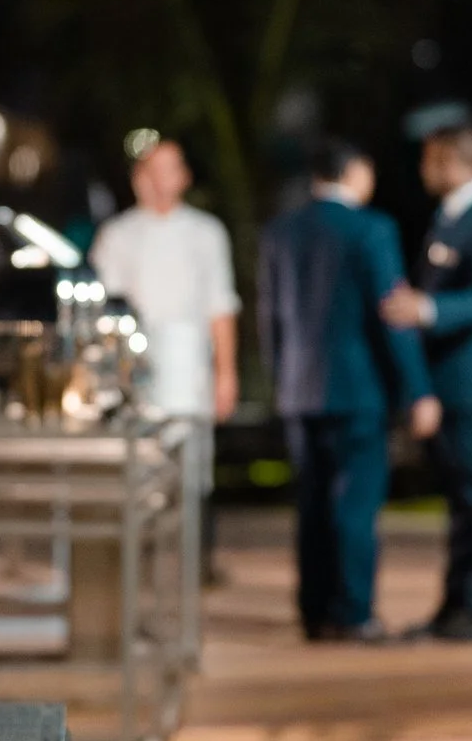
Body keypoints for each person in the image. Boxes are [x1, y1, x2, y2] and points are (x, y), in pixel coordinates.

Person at [258, 139, 438, 642]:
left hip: (300, 390)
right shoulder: (372, 230)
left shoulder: (280, 232)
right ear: (355, 173)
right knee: (356, 505)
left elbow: (270, 320)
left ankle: (314, 611)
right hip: (359, 392)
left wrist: (281, 381)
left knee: (312, 504)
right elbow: (393, 315)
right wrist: (417, 390)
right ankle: (353, 612)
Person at [382, 111, 472, 642]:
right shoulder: (453, 218)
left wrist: (427, 310)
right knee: (462, 502)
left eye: (429, 158)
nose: (423, 169)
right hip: (448, 384)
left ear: (453, 161)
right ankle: (459, 605)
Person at [90, 136, 242, 425]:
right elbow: (105, 309)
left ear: (184, 176)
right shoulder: (116, 234)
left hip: (190, 367)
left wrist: (226, 375)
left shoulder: (207, 232)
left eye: (168, 169)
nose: (160, 180)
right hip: (133, 368)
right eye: (152, 170)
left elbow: (221, 305)